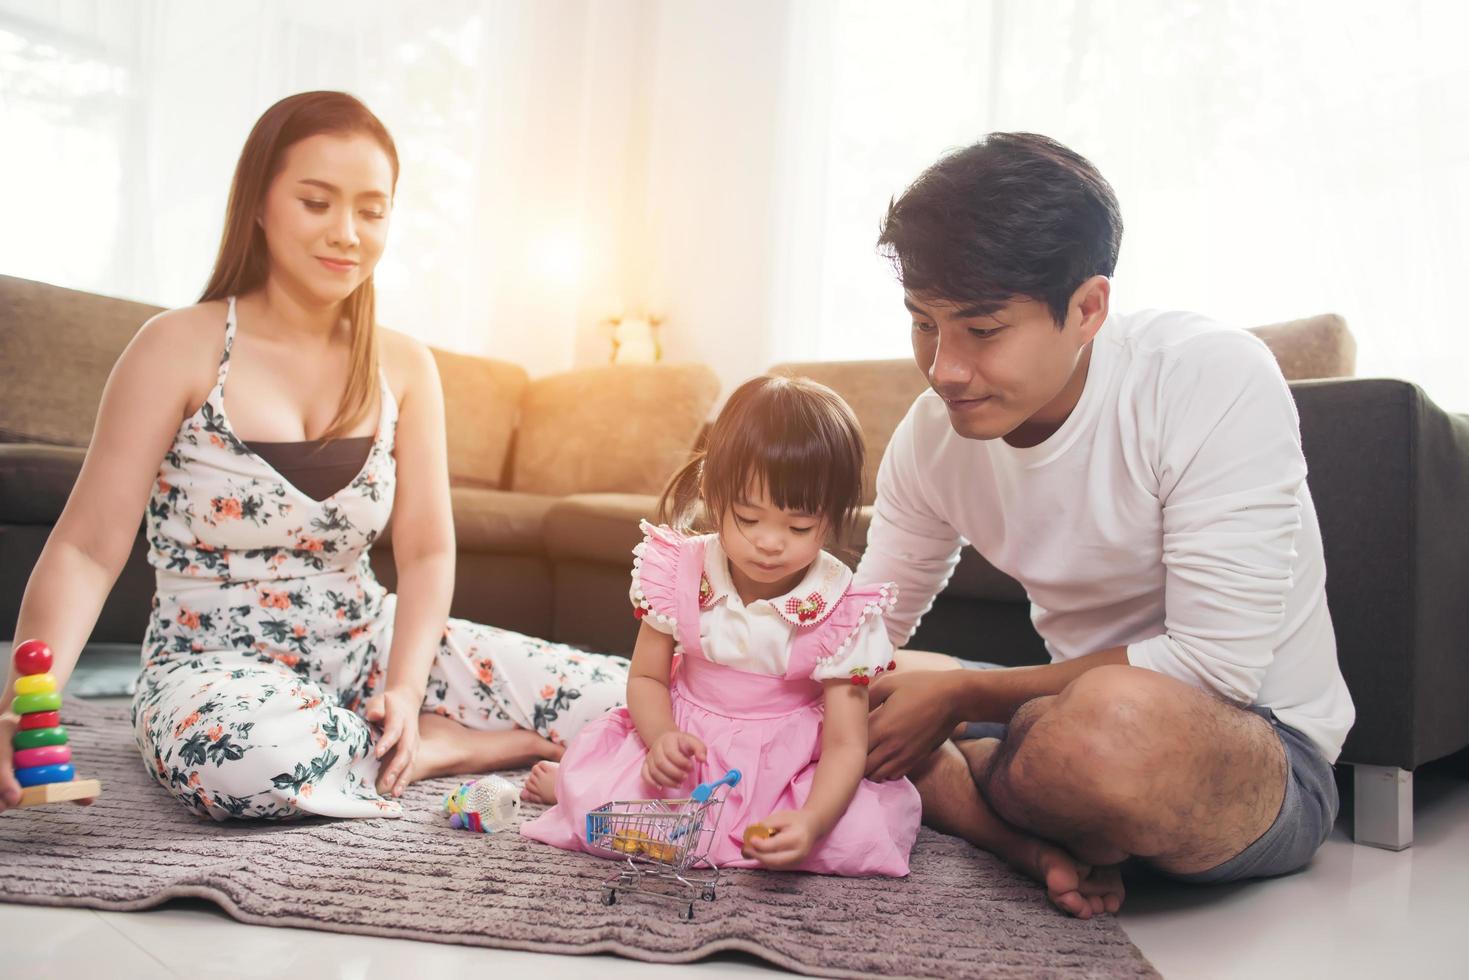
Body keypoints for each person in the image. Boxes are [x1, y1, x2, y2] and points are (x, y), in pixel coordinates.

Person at [0, 91, 627, 821]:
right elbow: (85, 548)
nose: (347, 234)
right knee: (249, 764)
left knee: (632, 706)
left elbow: (425, 551)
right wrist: (23, 711)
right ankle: (446, 748)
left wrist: (402, 682)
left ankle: (400, 736)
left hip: (369, 644)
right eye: (316, 202)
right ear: (260, 203)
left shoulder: (406, 366)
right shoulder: (174, 347)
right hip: (215, 669)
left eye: (371, 210)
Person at [856, 133, 1355, 916]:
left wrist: (959, 696)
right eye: (924, 324)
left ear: (1087, 308)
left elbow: (1210, 663)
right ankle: (1024, 832)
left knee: (1100, 736)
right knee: (840, 697)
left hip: (1252, 744)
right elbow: (863, 629)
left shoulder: (1205, 375)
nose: (944, 368)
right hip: (1052, 714)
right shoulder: (930, 435)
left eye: (981, 331)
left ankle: (980, 783)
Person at [520, 376, 921, 875]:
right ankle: (571, 783)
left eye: (799, 527)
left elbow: (845, 742)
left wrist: (814, 821)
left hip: (786, 766)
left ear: (835, 515)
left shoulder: (841, 607)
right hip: (689, 749)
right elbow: (646, 677)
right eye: (748, 518)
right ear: (714, 494)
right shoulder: (678, 571)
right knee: (615, 812)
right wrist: (662, 736)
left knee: (851, 837)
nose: (770, 543)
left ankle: (583, 786)